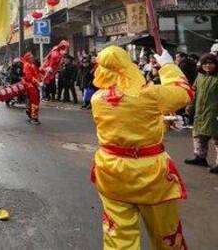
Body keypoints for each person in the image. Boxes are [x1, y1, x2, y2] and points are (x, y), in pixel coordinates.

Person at [90, 46, 192, 249]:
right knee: (166, 234)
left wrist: (160, 120)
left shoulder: (97, 99)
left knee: (118, 235)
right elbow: (184, 93)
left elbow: (126, 124)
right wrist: (168, 66)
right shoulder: (149, 95)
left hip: (111, 171)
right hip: (151, 174)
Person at [184, 53, 218, 174]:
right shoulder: (200, 77)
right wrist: (189, 109)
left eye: (211, 63)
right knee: (198, 136)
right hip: (200, 112)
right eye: (205, 63)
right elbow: (193, 94)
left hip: (214, 113)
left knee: (216, 138)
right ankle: (200, 157)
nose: (208, 66)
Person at [21, 52, 41, 125]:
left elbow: (36, 74)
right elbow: (29, 77)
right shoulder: (27, 65)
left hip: (33, 85)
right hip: (30, 86)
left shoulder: (31, 65)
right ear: (28, 58)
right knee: (35, 102)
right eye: (31, 57)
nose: (32, 58)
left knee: (34, 100)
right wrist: (37, 82)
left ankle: (29, 112)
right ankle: (34, 117)